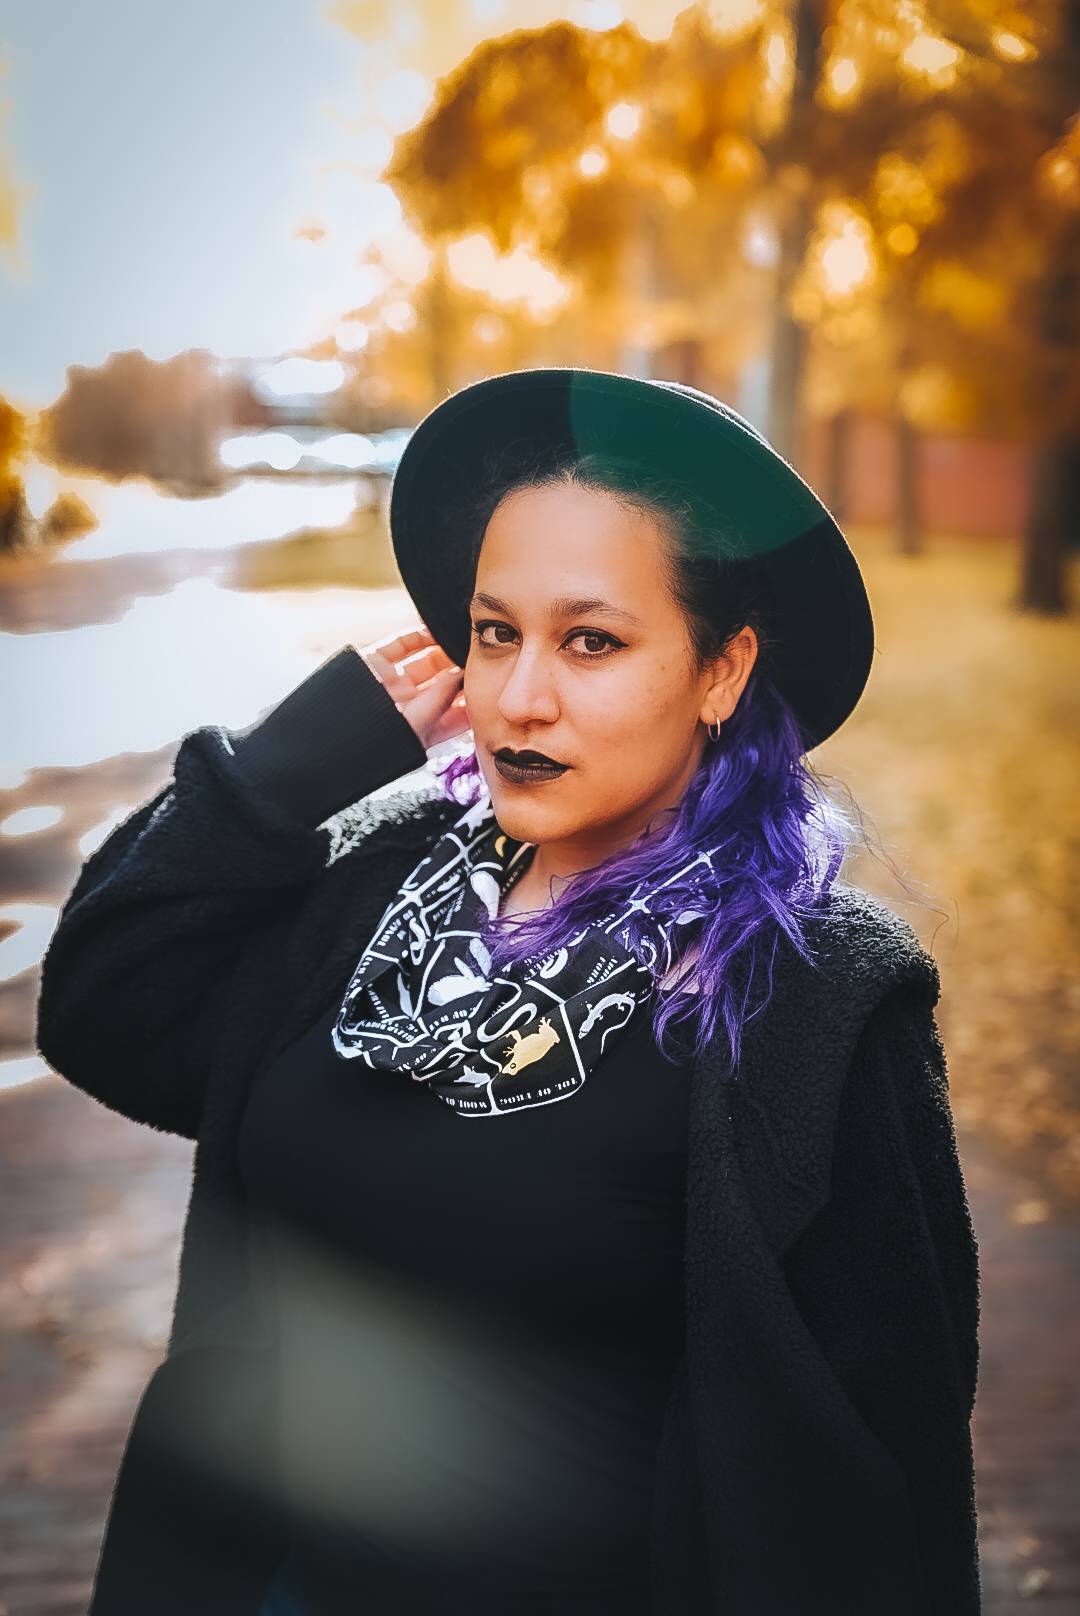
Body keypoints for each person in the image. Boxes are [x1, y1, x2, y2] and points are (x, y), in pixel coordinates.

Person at [36, 367, 982, 1615]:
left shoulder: (810, 993)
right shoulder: (375, 890)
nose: (521, 695)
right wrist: (287, 767)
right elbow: (103, 1005)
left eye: (592, 640)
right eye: (496, 633)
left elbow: (885, 1464)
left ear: (721, 671)